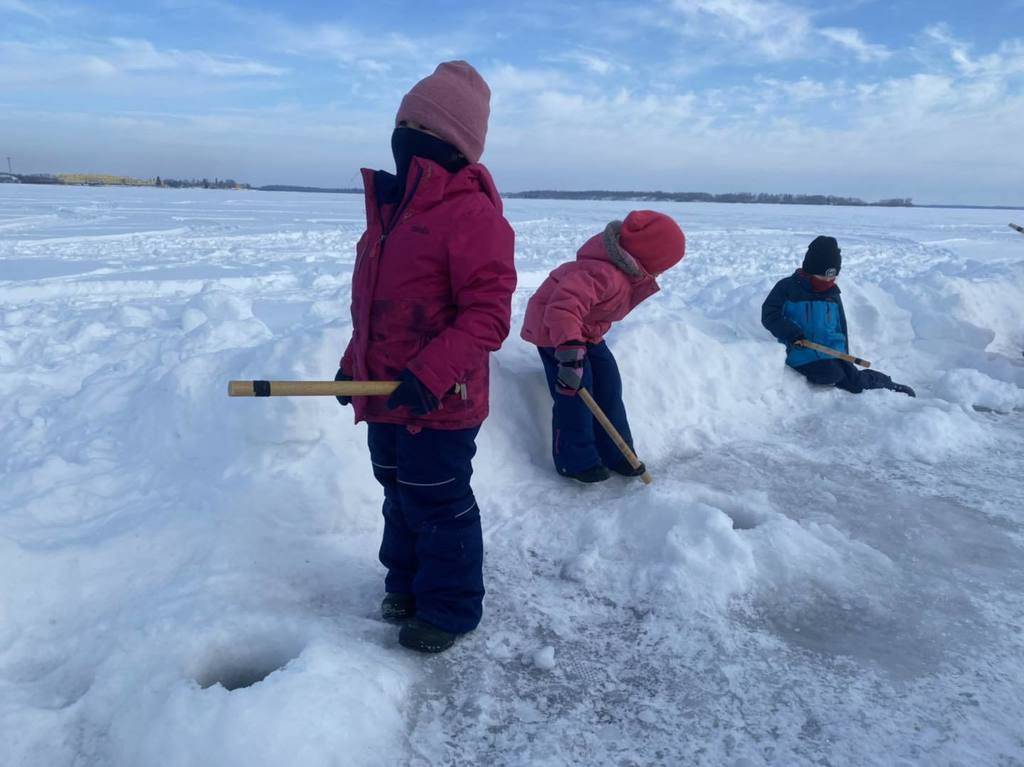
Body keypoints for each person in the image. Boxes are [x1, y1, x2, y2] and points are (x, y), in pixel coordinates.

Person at [335, 61, 516, 653]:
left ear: (457, 145)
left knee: (437, 499)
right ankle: (407, 585)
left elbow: (487, 317)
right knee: (396, 492)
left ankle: (451, 609)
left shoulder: (472, 215)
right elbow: (374, 310)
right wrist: (352, 367)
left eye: (426, 127)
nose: (408, 134)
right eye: (404, 120)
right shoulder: (387, 215)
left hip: (443, 399)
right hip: (384, 395)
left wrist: (429, 375)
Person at [520, 210, 686, 482]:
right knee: (575, 391)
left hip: (587, 332)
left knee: (609, 384)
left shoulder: (626, 274)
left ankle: (618, 453)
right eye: (664, 264)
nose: (663, 271)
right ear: (648, 258)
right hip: (555, 333)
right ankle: (576, 461)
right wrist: (571, 356)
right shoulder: (600, 273)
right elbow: (562, 309)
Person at [761, 235, 916, 397]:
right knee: (831, 374)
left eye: (832, 277)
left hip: (831, 351)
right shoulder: (788, 288)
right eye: (823, 276)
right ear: (810, 271)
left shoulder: (832, 293)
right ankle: (849, 377)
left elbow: (840, 325)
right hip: (802, 352)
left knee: (854, 380)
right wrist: (791, 333)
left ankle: (888, 385)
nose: (828, 280)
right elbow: (769, 314)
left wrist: (843, 351)